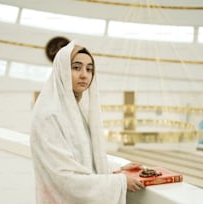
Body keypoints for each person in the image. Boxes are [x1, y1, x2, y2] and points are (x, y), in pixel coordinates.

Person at [30, 41, 144, 204]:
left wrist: (116, 169)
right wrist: (120, 182)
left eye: (89, 69)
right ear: (62, 70)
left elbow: (82, 158)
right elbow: (64, 178)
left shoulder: (76, 112)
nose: (84, 75)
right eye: (76, 67)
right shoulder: (49, 116)